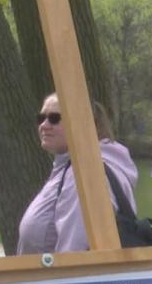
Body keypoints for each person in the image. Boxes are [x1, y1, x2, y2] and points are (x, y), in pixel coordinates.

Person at [16, 93, 137, 254]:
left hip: (63, 278)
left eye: (54, 118)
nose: (44, 125)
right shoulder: (74, 166)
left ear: (83, 123)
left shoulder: (85, 174)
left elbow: (74, 252)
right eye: (41, 118)